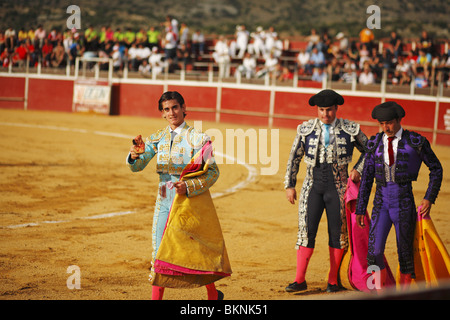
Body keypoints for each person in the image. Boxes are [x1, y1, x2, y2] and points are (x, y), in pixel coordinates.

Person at [126, 91, 231, 300]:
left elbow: (213, 172)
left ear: (184, 108)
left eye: (175, 107)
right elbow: (137, 166)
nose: (171, 112)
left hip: (188, 203)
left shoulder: (199, 139)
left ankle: (212, 296)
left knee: (196, 252)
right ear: (162, 113)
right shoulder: (157, 138)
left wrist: (189, 187)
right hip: (164, 199)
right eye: (166, 109)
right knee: (159, 253)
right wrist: (134, 154)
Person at [284, 89, 368, 293]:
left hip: (338, 188)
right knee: (306, 232)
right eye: (321, 110)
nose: (325, 114)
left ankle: (333, 281)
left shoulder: (350, 129)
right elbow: (294, 157)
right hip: (312, 187)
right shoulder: (305, 129)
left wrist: (358, 169)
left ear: (336, 109)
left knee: (338, 234)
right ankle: (299, 279)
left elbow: (370, 150)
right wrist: (290, 185)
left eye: (329, 110)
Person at [355, 101, 443, 290]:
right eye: (381, 123)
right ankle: (380, 293)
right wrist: (361, 208)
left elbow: (436, 169)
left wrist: (429, 197)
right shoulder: (375, 143)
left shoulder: (415, 142)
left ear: (399, 120)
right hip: (381, 203)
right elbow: (367, 177)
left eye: (389, 122)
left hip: (404, 203)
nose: (385, 127)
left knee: (405, 254)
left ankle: (401, 295)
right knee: (374, 252)